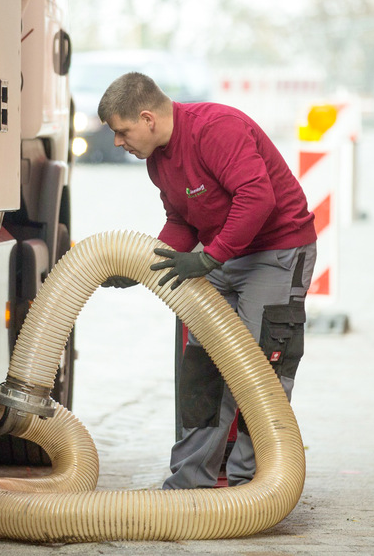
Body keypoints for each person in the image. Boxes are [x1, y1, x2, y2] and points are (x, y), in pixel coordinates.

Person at [98, 72, 317, 489]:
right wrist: (142, 266)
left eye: (122, 132)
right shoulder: (158, 161)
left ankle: (255, 487)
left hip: (276, 251)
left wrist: (210, 258)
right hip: (224, 255)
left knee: (259, 368)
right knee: (202, 366)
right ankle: (190, 482)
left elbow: (258, 198)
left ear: (147, 119)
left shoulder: (216, 129)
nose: (118, 143)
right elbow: (181, 220)